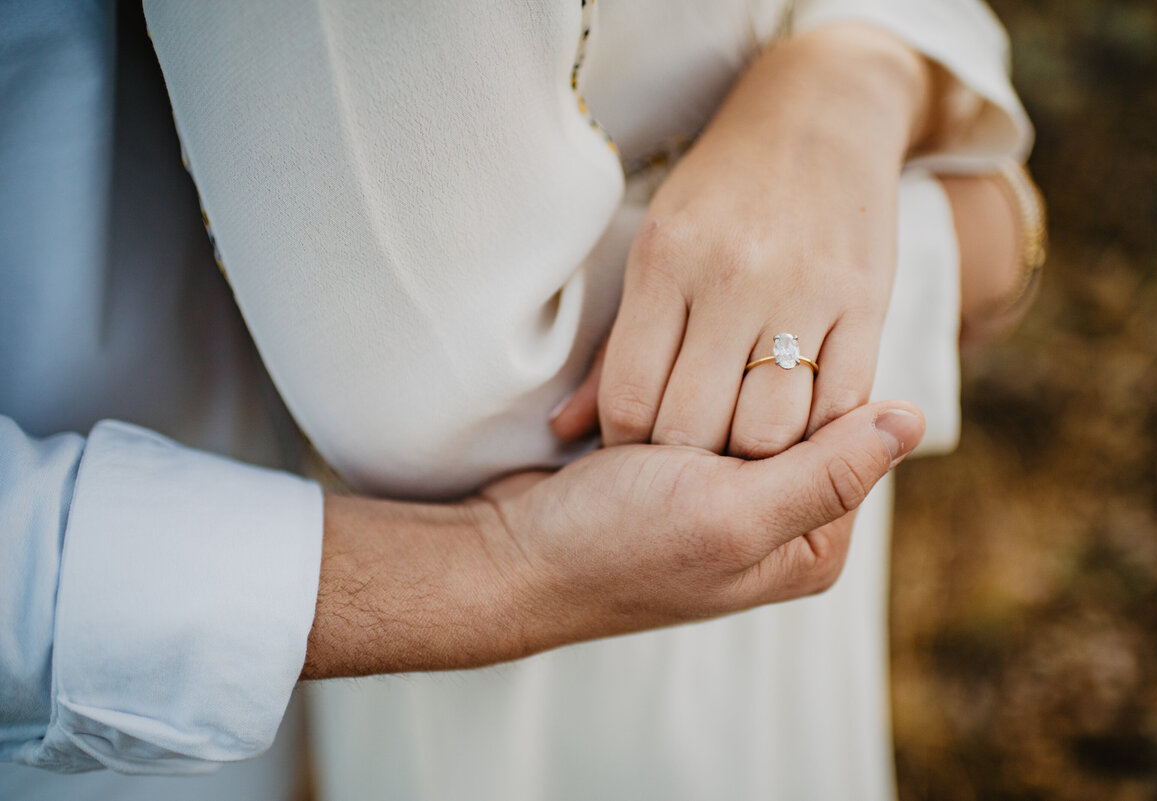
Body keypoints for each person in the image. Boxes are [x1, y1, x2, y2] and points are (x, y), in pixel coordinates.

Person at [1, 1, 1040, 799]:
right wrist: (965, 237)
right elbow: (459, 391)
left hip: (685, 591)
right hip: (524, 596)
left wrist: (846, 77)